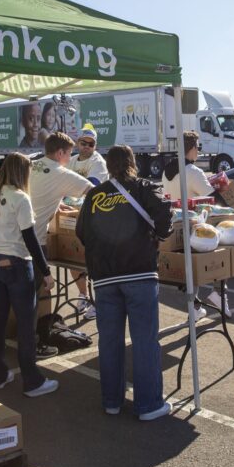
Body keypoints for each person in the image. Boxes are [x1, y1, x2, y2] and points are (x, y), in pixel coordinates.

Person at [75, 145, 173, 420]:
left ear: (108, 165)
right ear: (132, 163)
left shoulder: (94, 194)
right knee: (144, 340)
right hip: (140, 273)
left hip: (104, 277)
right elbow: (165, 217)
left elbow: (81, 232)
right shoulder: (144, 186)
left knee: (109, 341)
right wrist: (156, 237)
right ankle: (149, 405)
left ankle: (112, 401)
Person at [0, 152, 59, 398]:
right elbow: (30, 238)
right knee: (25, 325)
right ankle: (32, 381)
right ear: (21, 172)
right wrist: (45, 271)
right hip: (17, 264)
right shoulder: (20, 198)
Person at [30, 132, 93, 332]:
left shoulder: (33, 165)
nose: (69, 159)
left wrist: (55, 205)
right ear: (59, 153)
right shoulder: (61, 172)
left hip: (11, 237)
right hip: (34, 242)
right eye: (68, 154)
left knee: (13, 298)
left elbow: (36, 195)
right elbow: (94, 192)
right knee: (30, 301)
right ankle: (32, 345)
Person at [162, 131, 224, 317]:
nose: (199, 151)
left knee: (192, 269)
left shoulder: (168, 169)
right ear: (190, 148)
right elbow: (212, 198)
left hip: (176, 224)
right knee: (217, 256)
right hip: (194, 225)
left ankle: (196, 308)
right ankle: (218, 293)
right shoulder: (193, 171)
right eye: (198, 147)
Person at [64, 125, 109, 318]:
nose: (87, 147)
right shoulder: (72, 161)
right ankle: (83, 295)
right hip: (73, 214)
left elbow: (91, 188)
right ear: (77, 143)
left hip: (96, 217)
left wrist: (68, 192)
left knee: (96, 262)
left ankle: (98, 303)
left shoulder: (98, 162)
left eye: (91, 144)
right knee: (72, 257)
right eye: (83, 143)